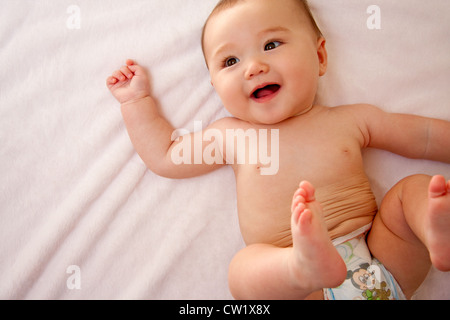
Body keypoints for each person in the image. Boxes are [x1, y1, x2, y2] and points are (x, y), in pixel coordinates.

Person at [106, 0, 450, 300]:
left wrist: (420, 210)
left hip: (382, 259)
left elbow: (424, 136)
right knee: (243, 271)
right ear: (214, 85)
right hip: (305, 289)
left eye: (271, 44)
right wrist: (136, 101)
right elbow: (166, 154)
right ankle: (301, 266)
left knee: (412, 192)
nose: (253, 67)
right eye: (230, 61)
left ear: (319, 56)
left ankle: (432, 226)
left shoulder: (351, 119)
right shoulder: (231, 137)